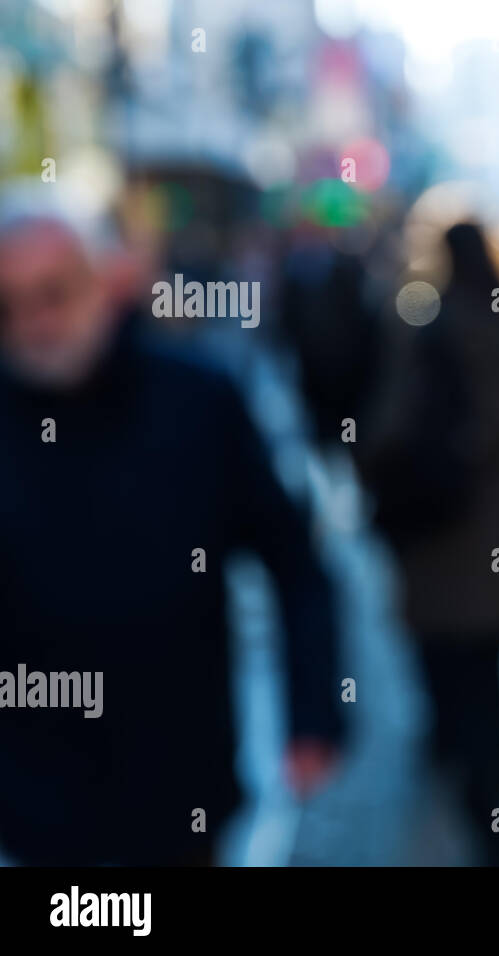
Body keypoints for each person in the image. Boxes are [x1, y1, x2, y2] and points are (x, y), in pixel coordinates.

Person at [0, 194, 344, 866]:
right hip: (33, 798)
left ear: (101, 283)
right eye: (9, 308)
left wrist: (314, 712)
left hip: (178, 779)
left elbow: (294, 559)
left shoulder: (198, 401)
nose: (34, 324)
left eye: (52, 296)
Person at [359, 220, 499, 866]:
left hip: (434, 541)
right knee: (487, 678)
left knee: (448, 669)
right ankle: (490, 808)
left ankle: (464, 777)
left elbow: (384, 431)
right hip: (490, 539)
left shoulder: (419, 326)